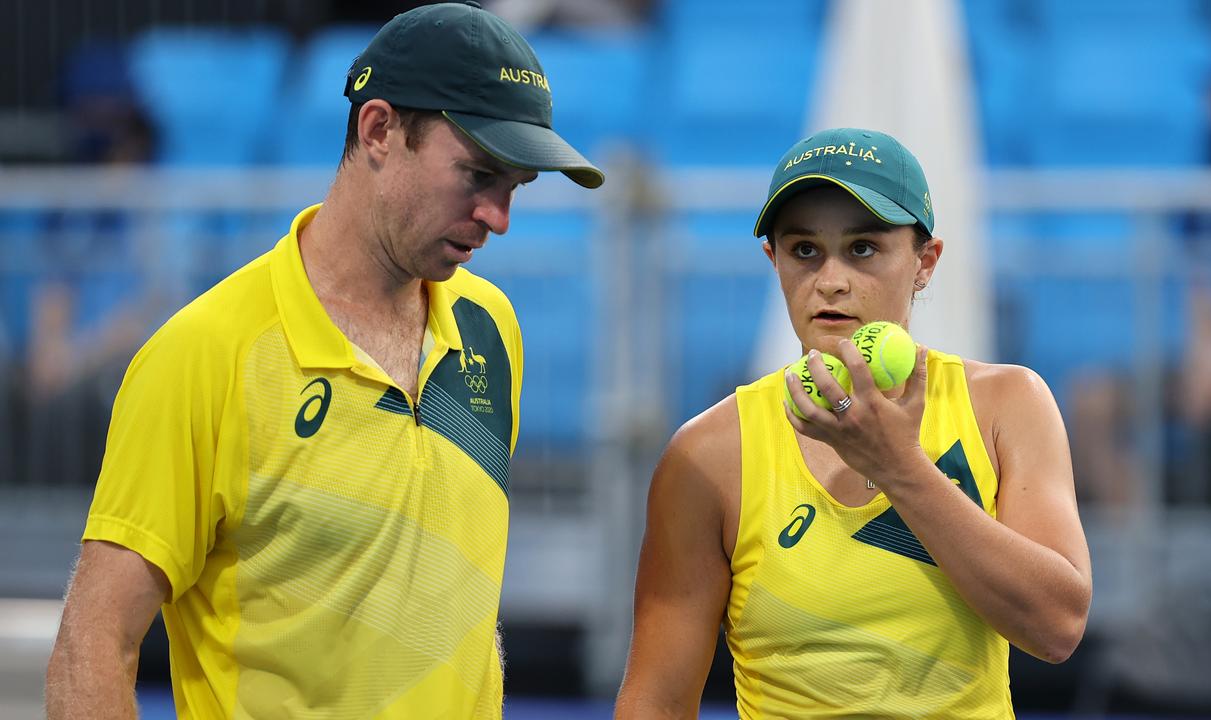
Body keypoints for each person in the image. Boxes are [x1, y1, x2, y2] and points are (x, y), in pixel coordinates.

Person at [44, 3, 603, 718]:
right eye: (477, 175)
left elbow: (457, 600)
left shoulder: (491, 329)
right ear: (378, 131)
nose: (499, 216)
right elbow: (92, 645)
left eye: (514, 188)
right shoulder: (205, 354)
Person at [615, 128, 1091, 718]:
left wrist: (900, 468)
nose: (832, 279)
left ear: (926, 262)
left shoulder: (1007, 404)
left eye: (863, 248)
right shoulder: (710, 452)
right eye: (804, 250)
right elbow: (655, 703)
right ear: (775, 261)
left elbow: (1057, 628)